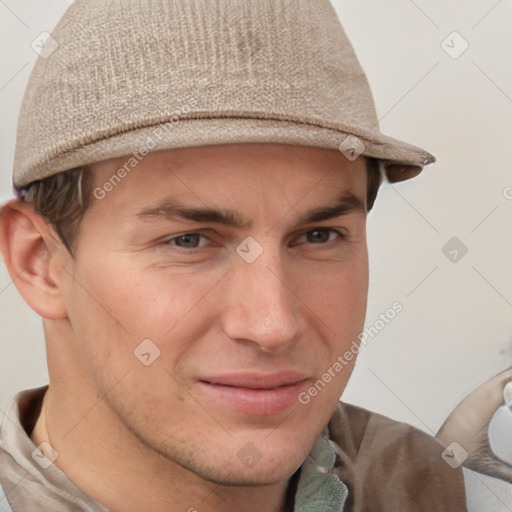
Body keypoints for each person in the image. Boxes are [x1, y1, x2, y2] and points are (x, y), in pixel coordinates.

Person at [0, 1, 467, 510]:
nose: (273, 324)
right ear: (39, 262)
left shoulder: (417, 479)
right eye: (190, 241)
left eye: (318, 236)